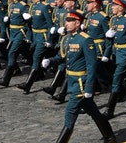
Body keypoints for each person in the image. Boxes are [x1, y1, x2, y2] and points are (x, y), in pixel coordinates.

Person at [42, 10, 116, 143]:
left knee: (70, 114)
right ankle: (109, 137)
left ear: (77, 23)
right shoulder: (67, 38)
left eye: (70, 21)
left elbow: (91, 65)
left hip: (81, 84)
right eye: (67, 20)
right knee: (93, 111)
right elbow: (62, 57)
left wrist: (89, 88)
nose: (67, 23)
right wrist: (51, 61)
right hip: (71, 81)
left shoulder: (86, 40)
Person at [17, 0, 53, 94]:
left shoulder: (45, 7)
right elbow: (31, 25)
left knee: (37, 57)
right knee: (33, 56)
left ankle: (28, 84)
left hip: (43, 36)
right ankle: (41, 73)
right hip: (35, 36)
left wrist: (49, 40)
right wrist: (28, 36)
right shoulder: (33, 6)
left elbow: (50, 25)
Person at [0, 0, 29, 87]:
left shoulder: (23, 6)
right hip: (12, 33)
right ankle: (39, 72)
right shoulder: (11, 6)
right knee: (28, 55)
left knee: (12, 53)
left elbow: (28, 22)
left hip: (20, 32)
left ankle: (5, 80)